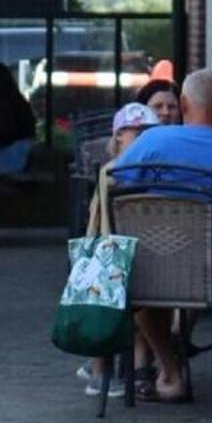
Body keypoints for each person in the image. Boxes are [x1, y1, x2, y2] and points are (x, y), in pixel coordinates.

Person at [109, 68, 212, 403]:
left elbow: (114, 188)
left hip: (157, 275)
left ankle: (170, 373)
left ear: (183, 104)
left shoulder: (153, 141)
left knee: (141, 284)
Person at [77, 101, 159, 396]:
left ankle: (138, 365)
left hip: (158, 260)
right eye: (131, 131)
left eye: (145, 132)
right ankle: (109, 368)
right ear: (117, 137)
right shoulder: (112, 173)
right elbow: (98, 228)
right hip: (120, 259)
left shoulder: (163, 169)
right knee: (110, 268)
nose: (138, 136)